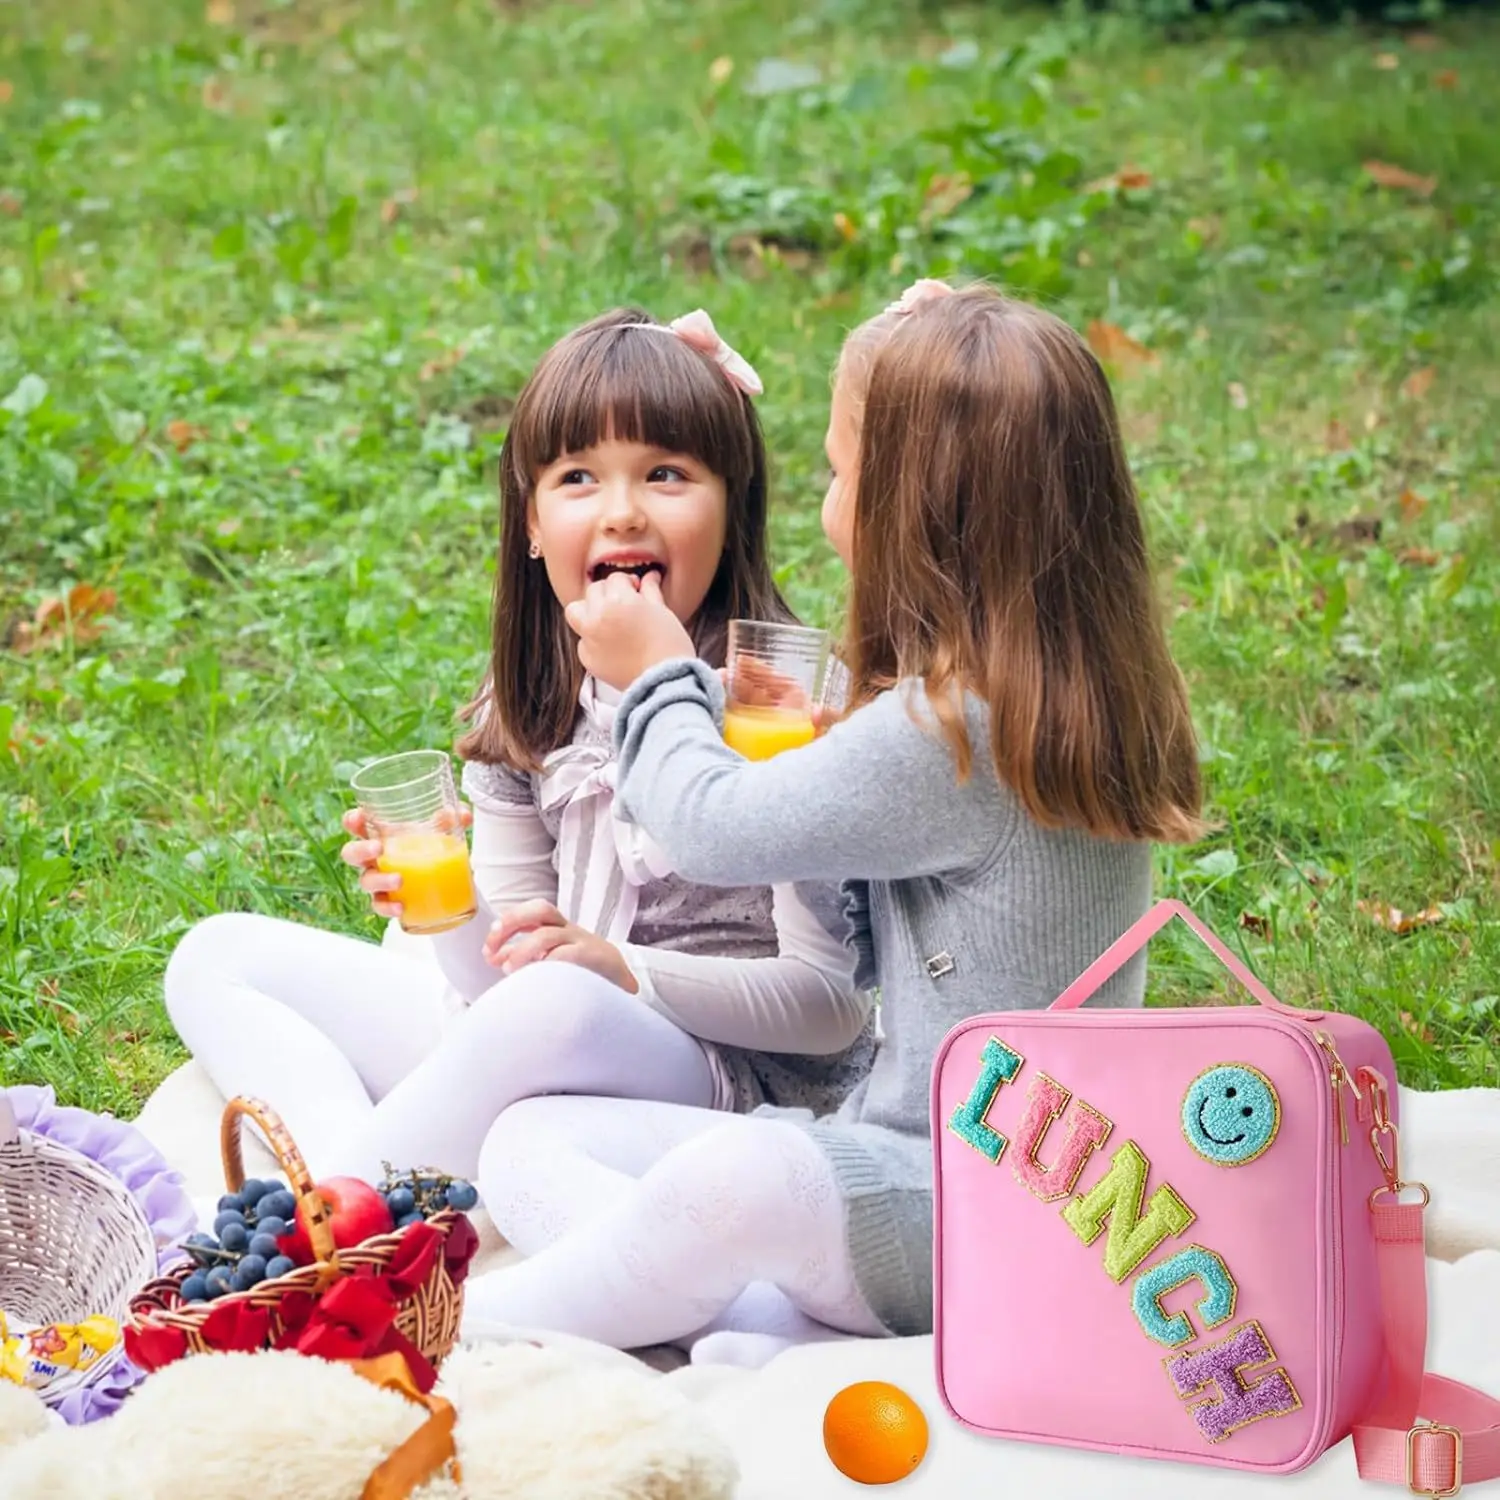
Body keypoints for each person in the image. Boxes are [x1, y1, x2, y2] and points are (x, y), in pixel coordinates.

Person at [459, 281, 1204, 1364]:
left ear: (913, 505)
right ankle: (739, 1313)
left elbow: (712, 826)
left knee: (740, 1182)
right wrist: (933, 342)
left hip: (972, 1217)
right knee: (533, 1137)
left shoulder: (950, 732)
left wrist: (661, 677)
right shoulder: (1070, 686)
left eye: (842, 469)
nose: (826, 499)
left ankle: (463, 1332)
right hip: (968, 1174)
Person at [163, 308, 874, 1208]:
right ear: (532, 524)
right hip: (546, 1037)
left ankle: (332, 1228)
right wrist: (453, 905)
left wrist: (625, 971)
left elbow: (830, 1010)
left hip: (723, 1073)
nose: (623, 510)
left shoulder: (782, 701)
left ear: (732, 509)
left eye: (666, 473)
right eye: (578, 477)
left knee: (556, 1008)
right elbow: (494, 988)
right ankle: (339, 1177)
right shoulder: (526, 702)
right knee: (213, 954)